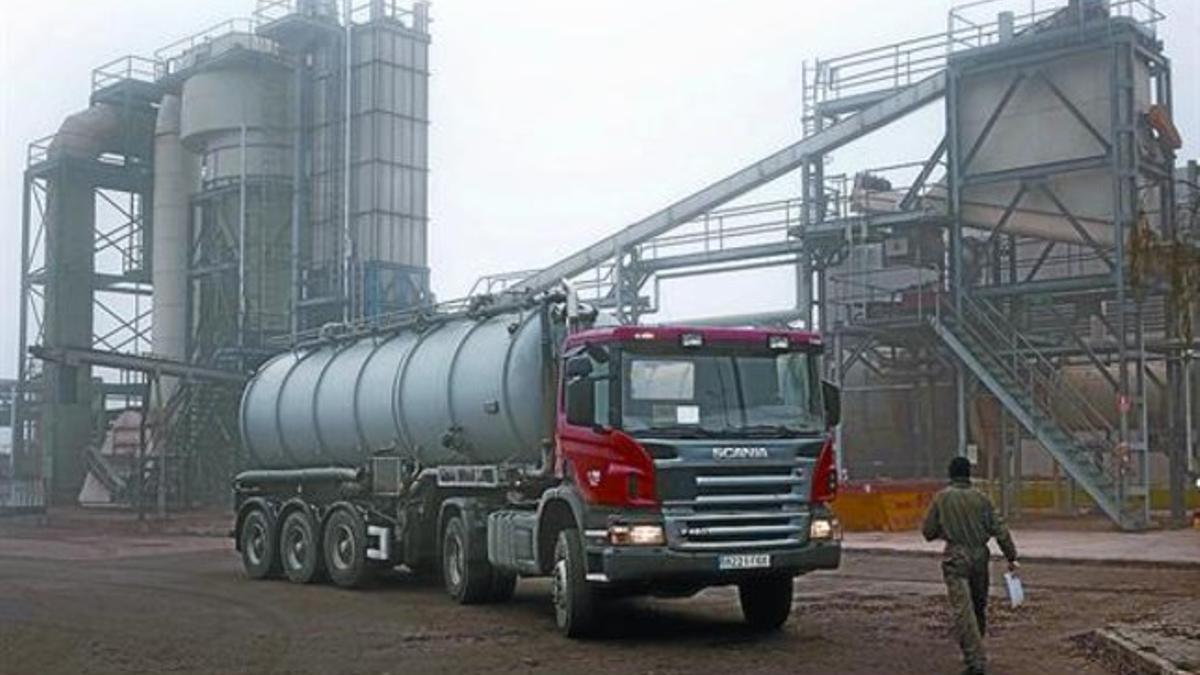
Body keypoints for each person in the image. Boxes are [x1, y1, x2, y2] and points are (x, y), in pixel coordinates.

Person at [922, 456, 1019, 675]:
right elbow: (1000, 530)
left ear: (951, 474)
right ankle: (977, 649)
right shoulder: (982, 499)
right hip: (980, 557)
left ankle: (975, 661)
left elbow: (928, 532)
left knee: (963, 610)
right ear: (969, 474)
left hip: (956, 556)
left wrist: (946, 529)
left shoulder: (942, 499)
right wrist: (1011, 556)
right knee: (978, 606)